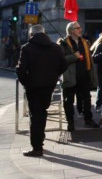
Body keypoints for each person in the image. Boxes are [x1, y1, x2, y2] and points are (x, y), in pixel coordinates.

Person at [16, 25, 67, 157]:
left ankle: (37, 147)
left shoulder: (27, 48)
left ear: (31, 35)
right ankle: (39, 141)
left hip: (33, 87)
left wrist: (25, 82)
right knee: (42, 113)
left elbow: (21, 70)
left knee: (36, 116)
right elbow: (64, 65)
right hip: (48, 86)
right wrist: (53, 76)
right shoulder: (56, 48)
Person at [60, 21, 99, 131]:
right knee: (69, 101)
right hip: (70, 77)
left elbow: (89, 59)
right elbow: (60, 60)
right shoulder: (63, 43)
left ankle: (88, 119)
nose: (80, 29)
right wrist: (73, 56)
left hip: (84, 75)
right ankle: (70, 121)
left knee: (87, 99)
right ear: (72, 31)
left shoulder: (85, 42)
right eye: (77, 28)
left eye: (80, 27)